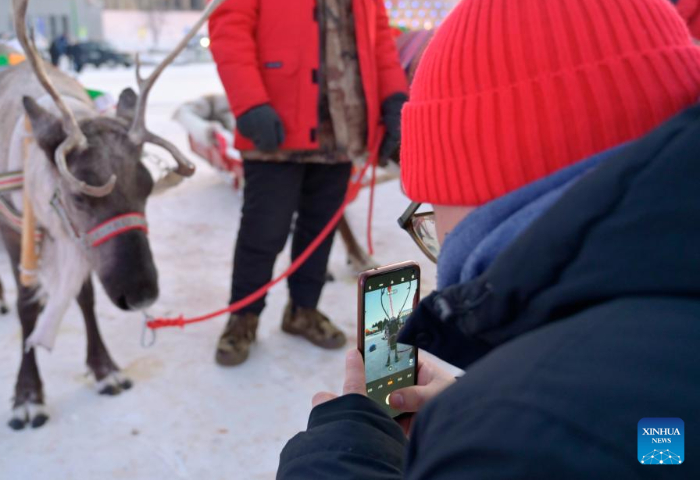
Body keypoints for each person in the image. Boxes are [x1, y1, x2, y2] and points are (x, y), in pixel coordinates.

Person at [278, 0, 700, 477]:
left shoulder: (519, 428)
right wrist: (480, 409)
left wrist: (343, 462)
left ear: (482, 180)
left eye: (432, 207)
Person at [208, 0, 408, 366]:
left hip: (342, 130)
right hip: (275, 128)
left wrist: (394, 97)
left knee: (321, 228)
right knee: (264, 230)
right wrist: (250, 103)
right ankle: (243, 318)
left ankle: (303, 310)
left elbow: (380, 42)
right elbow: (228, 29)